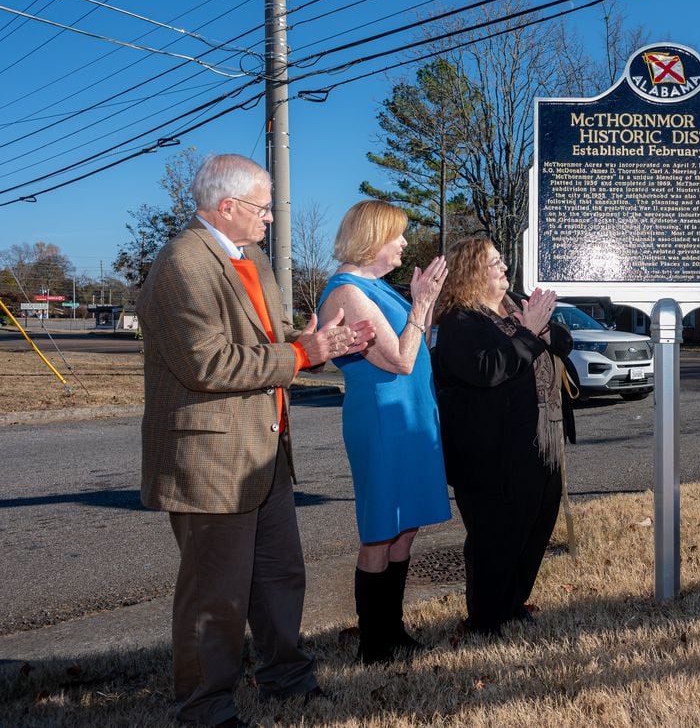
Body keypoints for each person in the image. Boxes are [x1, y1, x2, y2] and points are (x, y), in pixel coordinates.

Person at [137, 154, 375, 727]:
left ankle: (287, 679)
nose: (271, 218)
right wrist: (301, 354)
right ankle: (205, 710)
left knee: (279, 577)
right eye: (263, 208)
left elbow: (268, 339)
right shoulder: (181, 266)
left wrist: (318, 341)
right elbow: (208, 363)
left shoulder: (254, 260)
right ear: (227, 207)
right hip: (212, 459)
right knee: (214, 596)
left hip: (267, 453)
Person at [316, 200, 452, 665]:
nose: (405, 244)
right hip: (381, 420)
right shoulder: (346, 292)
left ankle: (394, 631)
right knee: (380, 530)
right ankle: (375, 643)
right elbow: (400, 359)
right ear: (374, 237)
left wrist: (425, 305)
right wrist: (421, 305)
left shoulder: (378, 288)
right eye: (399, 235)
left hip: (412, 415)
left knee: (405, 526)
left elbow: (423, 340)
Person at [431, 237, 573, 635]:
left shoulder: (514, 309)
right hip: (489, 455)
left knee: (535, 527)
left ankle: (512, 605)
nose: (504, 267)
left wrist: (540, 331)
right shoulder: (460, 322)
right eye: (494, 263)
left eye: (501, 261)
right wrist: (528, 334)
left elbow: (565, 342)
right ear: (472, 272)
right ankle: (485, 619)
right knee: (494, 538)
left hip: (537, 444)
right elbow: (488, 370)